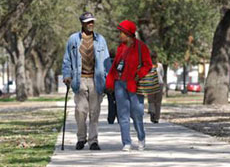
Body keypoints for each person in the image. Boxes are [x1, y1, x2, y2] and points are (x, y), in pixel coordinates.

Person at [62, 12, 110, 151]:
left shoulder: (100, 40)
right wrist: (66, 75)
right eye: (88, 22)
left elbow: (106, 61)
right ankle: (81, 138)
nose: (91, 24)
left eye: (92, 22)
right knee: (80, 111)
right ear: (82, 23)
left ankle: (93, 141)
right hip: (79, 79)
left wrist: (109, 80)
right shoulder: (73, 39)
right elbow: (67, 60)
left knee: (94, 112)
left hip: (97, 80)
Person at [106, 20, 152, 151]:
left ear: (128, 33)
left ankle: (141, 137)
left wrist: (139, 74)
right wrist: (110, 82)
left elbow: (147, 64)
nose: (119, 35)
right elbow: (115, 67)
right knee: (122, 114)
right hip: (119, 84)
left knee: (137, 113)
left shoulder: (141, 47)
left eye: (121, 32)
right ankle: (126, 142)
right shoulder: (120, 48)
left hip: (134, 84)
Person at [148, 52, 164, 123]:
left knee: (151, 100)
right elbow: (162, 74)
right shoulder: (159, 65)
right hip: (159, 83)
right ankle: (156, 116)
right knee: (157, 101)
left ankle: (152, 113)